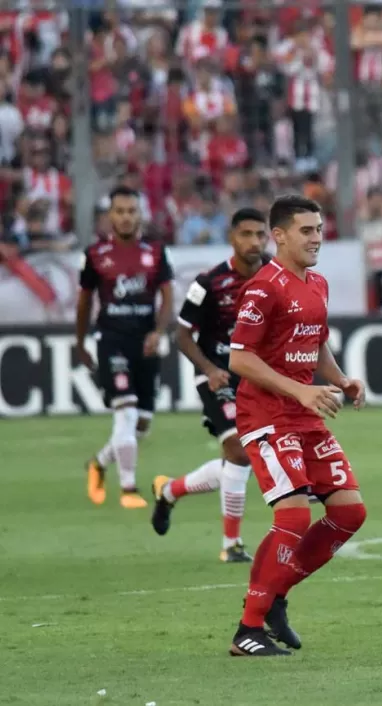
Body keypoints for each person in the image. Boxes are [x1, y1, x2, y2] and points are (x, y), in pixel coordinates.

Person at [225, 196, 368, 657]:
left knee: (349, 513)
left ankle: (276, 592)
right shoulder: (264, 288)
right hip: (266, 415)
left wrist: (339, 379)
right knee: (293, 515)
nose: (316, 238)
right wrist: (300, 390)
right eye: (306, 230)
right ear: (279, 236)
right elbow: (240, 358)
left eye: (320, 229)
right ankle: (248, 629)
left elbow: (316, 343)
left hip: (305, 413)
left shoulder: (318, 284)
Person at [150, 209, 270, 563]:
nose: (254, 242)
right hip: (216, 373)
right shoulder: (210, 283)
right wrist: (208, 368)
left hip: (256, 374)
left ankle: (170, 490)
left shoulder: (275, 276)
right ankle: (231, 545)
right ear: (232, 238)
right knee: (240, 449)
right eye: (246, 234)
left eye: (260, 235)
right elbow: (182, 334)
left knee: (242, 457)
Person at [78, 186, 175, 509]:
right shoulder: (95, 255)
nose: (125, 217)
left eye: (131, 211)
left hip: (145, 343)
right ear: (110, 216)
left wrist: (159, 331)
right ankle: (129, 489)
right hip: (112, 342)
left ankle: (98, 463)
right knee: (127, 411)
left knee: (142, 423)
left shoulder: (156, 253)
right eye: (119, 211)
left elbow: (167, 297)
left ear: (140, 214)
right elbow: (84, 301)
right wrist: (80, 341)